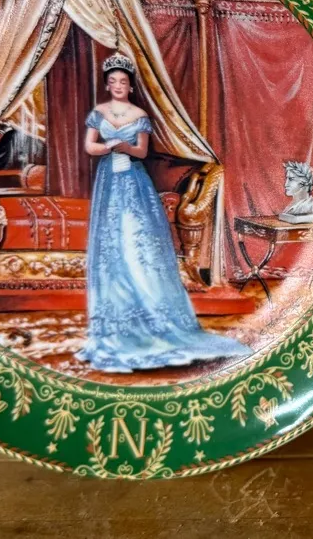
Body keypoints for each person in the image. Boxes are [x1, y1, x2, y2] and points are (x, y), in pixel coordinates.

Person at [76, 53, 251, 373]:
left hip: (133, 178)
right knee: (111, 242)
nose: (118, 86)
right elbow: (90, 146)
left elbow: (142, 150)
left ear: (130, 86)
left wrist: (124, 147)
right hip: (109, 179)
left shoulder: (140, 114)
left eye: (123, 82)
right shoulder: (98, 112)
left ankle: (154, 313)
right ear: (107, 85)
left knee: (137, 241)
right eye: (113, 82)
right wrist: (108, 147)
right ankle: (116, 319)